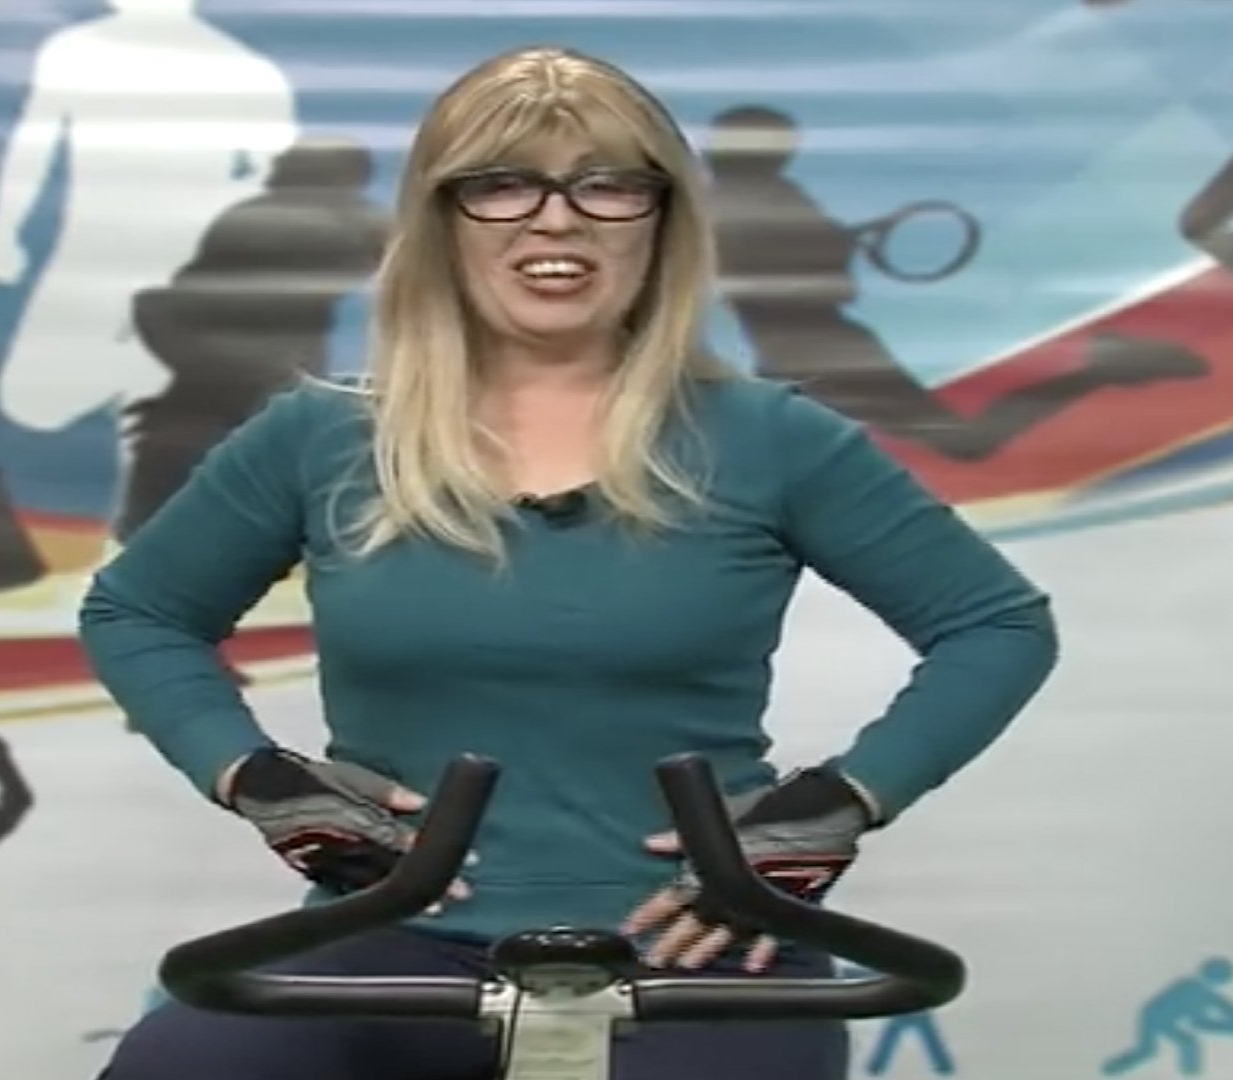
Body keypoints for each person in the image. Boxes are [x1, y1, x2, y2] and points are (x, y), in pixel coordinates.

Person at [79, 45, 1060, 1080]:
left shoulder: (773, 439)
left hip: (701, 948)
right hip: (385, 943)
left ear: (661, 220)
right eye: (503, 185)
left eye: (608, 185)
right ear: (442, 220)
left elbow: (995, 625)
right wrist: (256, 776)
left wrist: (842, 802)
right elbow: (139, 612)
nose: (557, 220)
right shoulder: (321, 438)